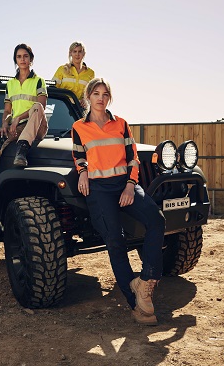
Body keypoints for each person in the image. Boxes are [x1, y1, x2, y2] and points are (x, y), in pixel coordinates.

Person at [71, 78, 165, 325]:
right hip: (99, 190)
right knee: (115, 239)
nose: (100, 98)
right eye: (95, 94)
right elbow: (79, 157)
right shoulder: (79, 127)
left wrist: (130, 186)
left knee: (157, 220)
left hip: (125, 185)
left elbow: (133, 159)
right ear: (88, 98)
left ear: (109, 98)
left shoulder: (121, 124)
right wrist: (82, 171)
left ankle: (146, 281)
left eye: (104, 94)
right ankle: (136, 303)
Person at [0, 43, 48, 213]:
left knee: (37, 107)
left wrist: (18, 117)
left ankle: (22, 150)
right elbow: (7, 110)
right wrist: (5, 123)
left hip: (37, 125)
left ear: (31, 59)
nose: (22, 59)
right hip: (17, 127)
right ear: (15, 60)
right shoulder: (10, 84)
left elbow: (41, 105)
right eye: (19, 57)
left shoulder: (39, 80)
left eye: (25, 56)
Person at [52, 41, 95, 115]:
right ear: (70, 53)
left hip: (80, 110)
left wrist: (86, 100)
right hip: (62, 108)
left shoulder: (90, 73)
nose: (77, 54)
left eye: (80, 51)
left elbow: (92, 94)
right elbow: (53, 89)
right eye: (74, 51)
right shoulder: (62, 70)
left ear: (84, 54)